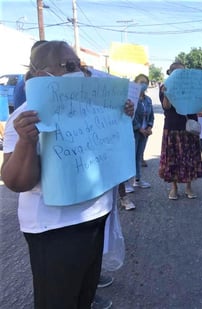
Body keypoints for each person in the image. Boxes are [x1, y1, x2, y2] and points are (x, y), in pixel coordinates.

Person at [1, 40, 134, 308]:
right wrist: (27, 142)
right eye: (69, 66)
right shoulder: (26, 118)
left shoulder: (93, 106)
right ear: (40, 73)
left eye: (80, 66)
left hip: (96, 218)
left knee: (84, 296)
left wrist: (122, 115)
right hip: (55, 229)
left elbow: (109, 150)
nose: (79, 72)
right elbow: (15, 182)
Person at [158, 62, 202, 200]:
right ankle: (174, 188)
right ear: (171, 74)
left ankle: (189, 187)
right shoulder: (165, 87)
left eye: (184, 72)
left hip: (189, 128)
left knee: (189, 159)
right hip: (172, 128)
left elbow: (199, 104)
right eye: (178, 72)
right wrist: (167, 92)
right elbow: (166, 107)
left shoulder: (191, 87)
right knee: (173, 160)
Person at [132, 73, 154, 188]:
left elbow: (151, 116)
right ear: (135, 83)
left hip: (145, 132)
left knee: (139, 156)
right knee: (131, 156)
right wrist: (139, 128)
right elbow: (131, 117)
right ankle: (126, 184)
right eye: (141, 82)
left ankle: (138, 179)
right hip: (134, 132)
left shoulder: (148, 100)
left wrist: (149, 127)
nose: (144, 85)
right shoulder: (131, 99)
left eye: (146, 83)